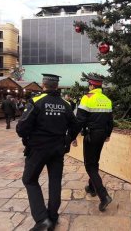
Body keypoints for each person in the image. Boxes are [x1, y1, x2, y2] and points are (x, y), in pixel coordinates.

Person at [16, 74, 79, 231]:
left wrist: (28, 138)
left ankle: (42, 219)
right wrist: (67, 139)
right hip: (57, 149)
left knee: (29, 179)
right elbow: (75, 125)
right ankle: (52, 217)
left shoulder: (36, 102)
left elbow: (22, 128)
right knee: (55, 180)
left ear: (43, 85)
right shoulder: (66, 104)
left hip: (38, 148)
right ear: (56, 86)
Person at [74, 74, 114, 212]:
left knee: (89, 165)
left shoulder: (87, 98)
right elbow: (110, 121)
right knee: (94, 162)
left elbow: (79, 120)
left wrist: (72, 136)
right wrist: (108, 135)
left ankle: (104, 196)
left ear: (91, 86)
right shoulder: (107, 99)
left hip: (91, 136)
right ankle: (91, 188)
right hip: (102, 135)